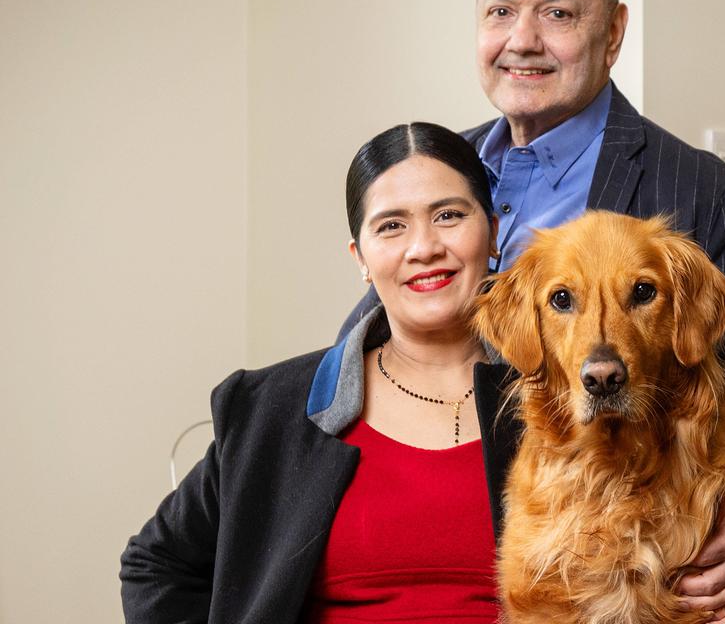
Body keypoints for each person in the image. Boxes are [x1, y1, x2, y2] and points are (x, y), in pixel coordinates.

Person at [337, 0, 725, 620]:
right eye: (500, 12)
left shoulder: (711, 197)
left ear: (614, 33)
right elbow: (367, 343)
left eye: (558, 14)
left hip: (630, 559)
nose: (523, 40)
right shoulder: (434, 173)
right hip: (434, 544)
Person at [121, 123, 520, 623]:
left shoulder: (556, 403)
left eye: (448, 215)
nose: (423, 247)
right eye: (391, 226)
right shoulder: (269, 408)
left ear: (493, 233)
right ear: (361, 259)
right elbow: (153, 565)